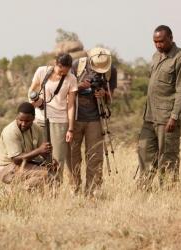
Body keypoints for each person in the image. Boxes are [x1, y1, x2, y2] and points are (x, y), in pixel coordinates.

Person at [137, 25, 181, 190]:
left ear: (170, 38)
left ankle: (168, 192)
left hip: (167, 118)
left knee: (168, 156)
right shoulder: (155, 56)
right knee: (144, 152)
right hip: (150, 116)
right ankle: (143, 190)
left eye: (161, 41)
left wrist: (174, 116)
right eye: (155, 42)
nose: (158, 45)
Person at [70, 47, 118, 195]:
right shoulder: (77, 65)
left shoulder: (111, 70)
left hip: (96, 118)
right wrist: (78, 87)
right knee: (73, 155)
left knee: (95, 155)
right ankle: (74, 188)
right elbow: (66, 90)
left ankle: (93, 190)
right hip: (75, 117)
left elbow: (111, 97)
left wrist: (103, 94)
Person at [28, 53, 78, 184]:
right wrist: (34, 102)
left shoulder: (71, 79)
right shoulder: (41, 71)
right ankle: (39, 186)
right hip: (40, 118)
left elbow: (71, 105)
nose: (63, 74)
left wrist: (70, 129)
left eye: (66, 72)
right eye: (61, 70)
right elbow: (31, 91)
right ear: (56, 64)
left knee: (57, 159)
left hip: (60, 121)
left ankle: (55, 190)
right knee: (39, 156)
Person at [0, 102, 53, 191]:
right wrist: (39, 151)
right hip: (6, 168)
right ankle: (16, 192)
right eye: (20, 120)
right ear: (16, 117)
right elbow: (16, 160)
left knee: (51, 171)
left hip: (24, 164)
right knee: (45, 174)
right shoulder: (10, 131)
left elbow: (43, 151)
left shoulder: (37, 129)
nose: (23, 124)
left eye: (27, 121)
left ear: (33, 118)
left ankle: (20, 193)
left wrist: (51, 161)